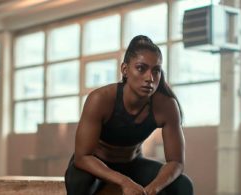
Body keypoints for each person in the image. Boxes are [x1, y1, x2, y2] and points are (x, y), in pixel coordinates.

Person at [64, 35, 193, 195]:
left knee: (183, 185)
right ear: (125, 70)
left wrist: (152, 189)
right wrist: (124, 182)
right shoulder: (100, 99)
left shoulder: (166, 106)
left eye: (156, 70)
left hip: (132, 164)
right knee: (79, 181)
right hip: (96, 165)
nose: (150, 78)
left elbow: (176, 162)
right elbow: (82, 157)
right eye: (141, 68)